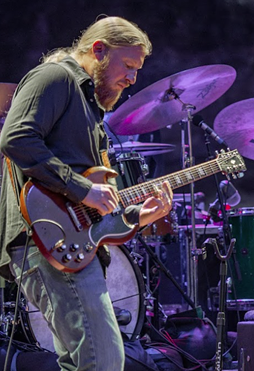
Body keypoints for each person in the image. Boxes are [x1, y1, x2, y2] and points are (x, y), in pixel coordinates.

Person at [0, 16, 173, 371]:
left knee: (82, 363)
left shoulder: (90, 107)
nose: (132, 78)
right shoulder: (55, 77)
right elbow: (15, 138)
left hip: (67, 245)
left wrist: (141, 216)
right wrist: (83, 189)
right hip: (45, 242)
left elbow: (95, 206)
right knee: (105, 362)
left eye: (137, 70)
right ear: (98, 50)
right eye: (127, 66)